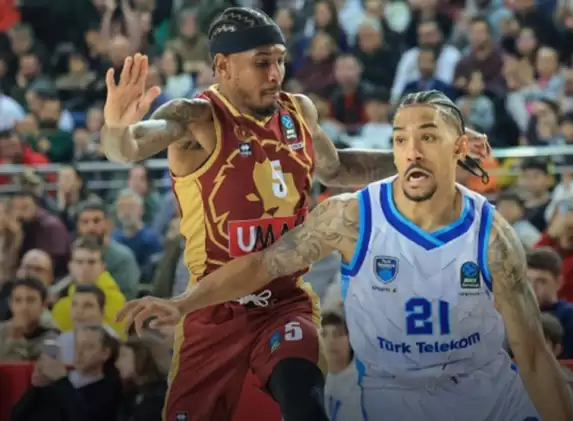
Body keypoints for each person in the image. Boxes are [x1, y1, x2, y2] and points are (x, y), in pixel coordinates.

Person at [100, 7, 490, 421]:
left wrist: (425, 156)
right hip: (213, 305)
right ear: (223, 66)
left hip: (284, 302)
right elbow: (126, 149)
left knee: (304, 401)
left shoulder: (298, 111)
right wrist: (115, 126)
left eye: (280, 60)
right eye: (262, 63)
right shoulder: (195, 117)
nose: (275, 74)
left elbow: (336, 168)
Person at [119, 90, 573, 421]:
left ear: (458, 148)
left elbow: (534, 358)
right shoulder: (350, 218)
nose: (412, 151)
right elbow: (261, 265)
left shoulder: (492, 235)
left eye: (428, 137)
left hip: (492, 402)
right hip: (397, 401)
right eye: (400, 139)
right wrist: (183, 303)